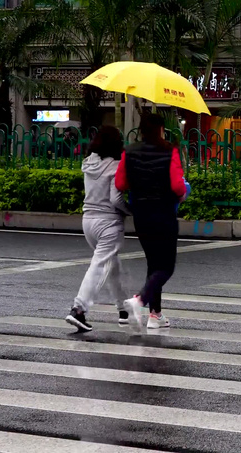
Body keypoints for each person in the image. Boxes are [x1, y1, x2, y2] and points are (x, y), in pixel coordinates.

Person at [115, 113, 187, 330]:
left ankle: (155, 315)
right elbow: (177, 186)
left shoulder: (129, 151)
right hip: (163, 213)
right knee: (166, 267)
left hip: (142, 215)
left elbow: (120, 183)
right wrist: (184, 191)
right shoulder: (169, 150)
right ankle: (140, 300)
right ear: (161, 130)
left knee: (154, 264)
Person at [66, 126, 129, 332]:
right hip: (109, 222)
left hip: (88, 222)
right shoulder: (115, 166)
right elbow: (116, 199)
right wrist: (129, 210)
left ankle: (124, 310)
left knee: (112, 265)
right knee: (99, 266)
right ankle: (79, 309)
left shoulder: (88, 163)